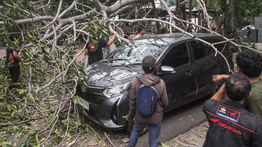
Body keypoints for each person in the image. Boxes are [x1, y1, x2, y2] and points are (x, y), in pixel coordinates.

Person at [203, 73, 262, 147]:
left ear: (224, 89)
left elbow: (211, 101)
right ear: (248, 95)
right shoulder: (254, 123)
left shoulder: (211, 108)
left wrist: (222, 89)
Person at [126, 55, 169, 147]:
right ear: (155, 67)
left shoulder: (135, 82)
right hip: (156, 118)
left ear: (142, 66)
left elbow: (132, 102)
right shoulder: (160, 83)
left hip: (140, 117)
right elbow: (166, 103)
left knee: (136, 131)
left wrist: (130, 116)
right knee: (153, 142)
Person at [212, 50, 262, 118]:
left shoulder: (253, 97)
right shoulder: (257, 85)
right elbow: (242, 81)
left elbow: (258, 124)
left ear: (238, 69)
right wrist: (225, 76)